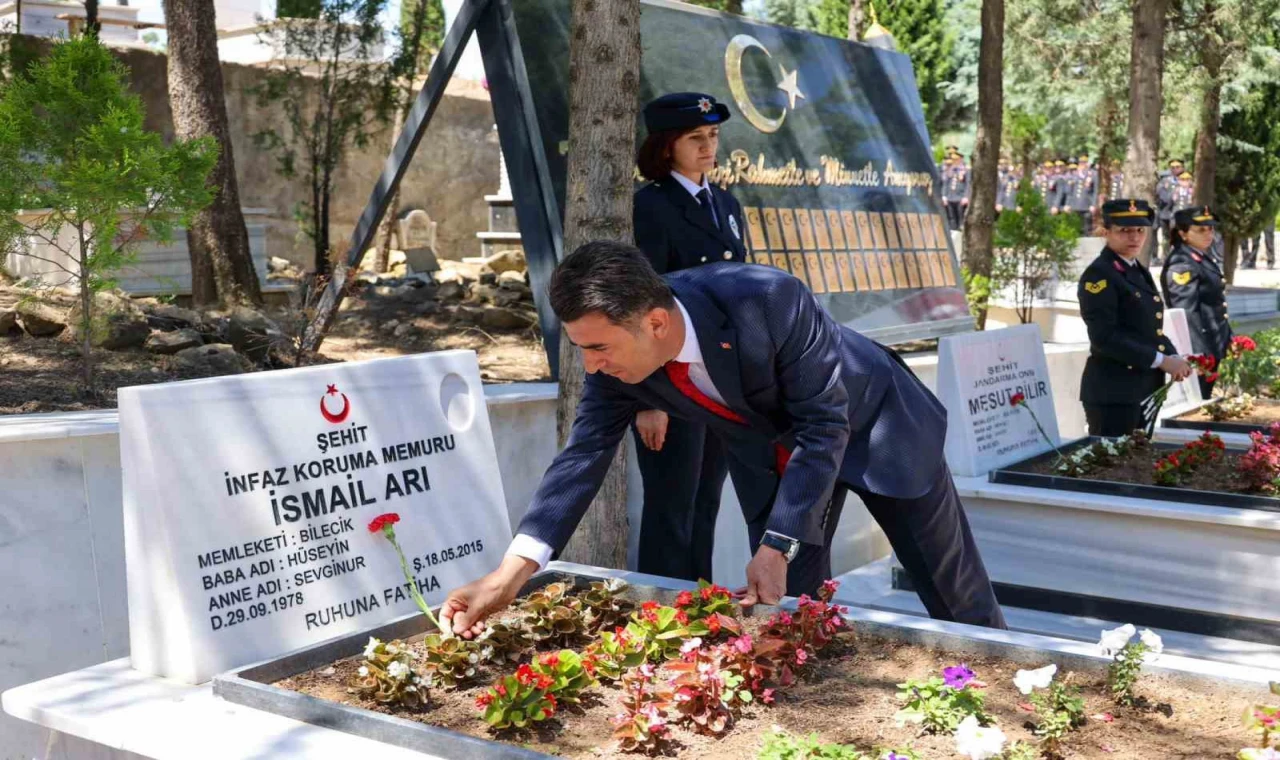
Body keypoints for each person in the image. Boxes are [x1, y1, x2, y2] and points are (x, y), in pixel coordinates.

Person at [440, 242, 1008, 637]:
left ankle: (1003, 694)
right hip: (774, 456)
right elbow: (583, 457)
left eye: (600, 347)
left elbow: (823, 426)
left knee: (953, 589)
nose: (591, 366)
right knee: (790, 606)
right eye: (582, 349)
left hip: (876, 425)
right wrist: (509, 575)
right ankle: (811, 715)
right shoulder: (618, 370)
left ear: (656, 324)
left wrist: (778, 540)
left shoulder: (765, 299)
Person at [628, 91, 748, 582]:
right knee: (670, 507)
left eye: (713, 136)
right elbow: (642, 303)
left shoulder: (726, 203)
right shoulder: (650, 207)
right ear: (666, 147)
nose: (707, 147)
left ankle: (701, 607)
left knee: (706, 502)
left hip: (717, 379)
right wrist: (648, 398)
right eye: (694, 138)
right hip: (671, 382)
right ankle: (661, 617)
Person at [1078, 199, 1193, 437]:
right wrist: (1162, 360)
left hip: (1144, 387)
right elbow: (1104, 337)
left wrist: (1172, 356)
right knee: (1113, 469)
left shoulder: (1134, 269)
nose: (1134, 237)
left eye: (1140, 230)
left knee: (1137, 463)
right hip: (1115, 393)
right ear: (1106, 232)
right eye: (1125, 231)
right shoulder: (1100, 275)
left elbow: (1150, 328)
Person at [1162, 206, 1232, 398]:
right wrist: (1196, 354)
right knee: (1197, 401)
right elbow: (1186, 311)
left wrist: (1227, 337)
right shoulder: (1182, 262)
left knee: (1204, 397)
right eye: (1201, 230)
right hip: (1199, 348)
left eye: (1211, 229)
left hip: (1211, 343)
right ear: (1183, 233)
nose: (1209, 234)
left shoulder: (1200, 257)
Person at [943, 149, 969, 230]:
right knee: (951, 216)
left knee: (960, 215)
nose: (955, 162)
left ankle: (961, 229)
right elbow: (946, 184)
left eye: (957, 160)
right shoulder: (950, 170)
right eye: (953, 160)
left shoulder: (965, 170)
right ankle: (953, 229)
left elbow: (968, 184)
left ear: (960, 160)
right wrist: (944, 195)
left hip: (960, 197)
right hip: (950, 196)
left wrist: (966, 196)